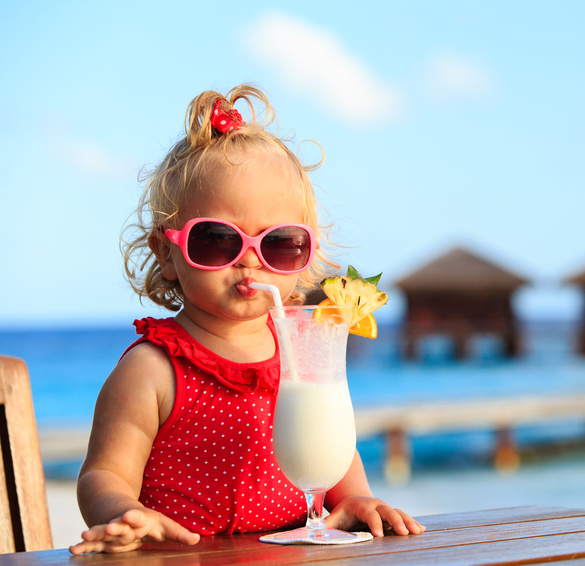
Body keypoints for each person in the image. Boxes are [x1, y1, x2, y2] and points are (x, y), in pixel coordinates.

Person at [69, 85, 424, 555]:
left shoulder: (300, 345)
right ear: (167, 253)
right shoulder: (152, 369)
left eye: (278, 242)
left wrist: (356, 497)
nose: (250, 260)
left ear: (306, 251)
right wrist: (122, 513)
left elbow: (328, 438)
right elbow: (103, 474)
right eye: (217, 239)